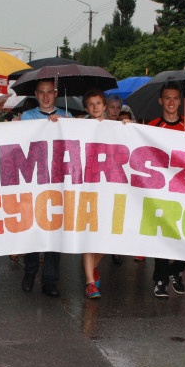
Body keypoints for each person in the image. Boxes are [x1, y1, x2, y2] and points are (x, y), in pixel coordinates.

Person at [147, 84, 185, 298]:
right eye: (167, 98)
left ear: (180, 101)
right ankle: (160, 280)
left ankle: (177, 270)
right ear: (160, 101)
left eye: (175, 98)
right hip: (161, 188)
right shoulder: (153, 125)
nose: (171, 102)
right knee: (163, 234)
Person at [19, 79, 72, 297]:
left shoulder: (67, 116)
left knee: (54, 230)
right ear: (36, 94)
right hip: (34, 180)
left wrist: (63, 126)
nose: (46, 96)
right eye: (41, 92)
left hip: (59, 181)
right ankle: (30, 271)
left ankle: (50, 280)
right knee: (33, 226)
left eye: (49, 92)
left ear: (56, 93)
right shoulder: (27, 116)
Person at [81, 89, 108, 299]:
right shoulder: (79, 127)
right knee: (89, 237)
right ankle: (90, 282)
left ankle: (93, 268)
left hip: (109, 189)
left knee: (108, 238)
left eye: (98, 103)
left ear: (104, 106)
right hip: (86, 188)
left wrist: (128, 126)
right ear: (86, 108)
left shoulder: (115, 127)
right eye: (91, 104)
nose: (95, 107)